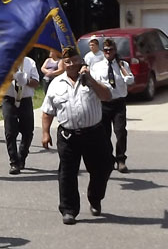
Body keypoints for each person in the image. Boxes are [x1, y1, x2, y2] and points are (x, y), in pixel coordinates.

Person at [41, 46, 114, 225]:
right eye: (67, 62)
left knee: (103, 167)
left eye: (74, 60)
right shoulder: (55, 84)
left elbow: (107, 96)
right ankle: (68, 210)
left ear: (80, 61)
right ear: (63, 64)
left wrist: (89, 79)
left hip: (94, 133)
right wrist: (45, 133)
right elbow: (47, 111)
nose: (71, 64)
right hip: (68, 136)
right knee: (67, 173)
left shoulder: (92, 79)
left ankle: (95, 197)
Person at [91, 38, 134, 173]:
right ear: (103, 51)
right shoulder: (97, 66)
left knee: (120, 132)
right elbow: (93, 84)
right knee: (104, 134)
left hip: (118, 103)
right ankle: (109, 159)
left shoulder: (123, 65)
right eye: (106, 50)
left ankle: (120, 159)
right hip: (103, 104)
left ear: (115, 51)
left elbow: (131, 80)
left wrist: (121, 68)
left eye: (111, 50)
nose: (108, 52)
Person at [3, 56, 40, 174]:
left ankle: (22, 156)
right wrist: (10, 77)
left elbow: (36, 82)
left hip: (25, 100)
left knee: (28, 131)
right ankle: (14, 162)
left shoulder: (30, 62)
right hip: (9, 99)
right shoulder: (4, 60)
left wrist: (26, 81)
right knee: (10, 131)